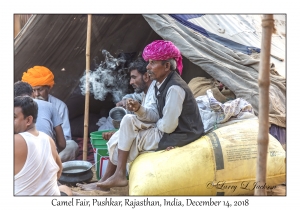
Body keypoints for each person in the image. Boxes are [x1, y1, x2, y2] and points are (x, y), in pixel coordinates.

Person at [95, 40, 204, 191]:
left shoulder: (174, 88)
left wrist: (151, 124)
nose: (148, 67)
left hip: (179, 135)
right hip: (167, 130)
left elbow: (168, 126)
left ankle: (115, 176)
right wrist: (139, 109)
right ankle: (119, 174)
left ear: (166, 66)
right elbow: (155, 116)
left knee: (126, 140)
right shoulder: (161, 84)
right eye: (149, 62)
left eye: (152, 63)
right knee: (128, 119)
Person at [14, 96, 72, 195]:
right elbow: (59, 171)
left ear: (28, 120)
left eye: (13, 117)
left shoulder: (16, 141)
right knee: (64, 188)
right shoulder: (49, 139)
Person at [21, 66, 78, 162]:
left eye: (40, 89)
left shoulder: (59, 106)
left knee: (72, 145)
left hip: (53, 149)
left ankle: (49, 163)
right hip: (29, 148)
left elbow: (66, 138)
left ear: (49, 88)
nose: (36, 94)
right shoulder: (22, 106)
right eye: (33, 90)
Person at [14, 81, 66, 153]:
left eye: (40, 89)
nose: (37, 94)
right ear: (32, 93)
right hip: (49, 156)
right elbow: (62, 144)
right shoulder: (50, 105)